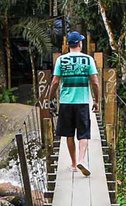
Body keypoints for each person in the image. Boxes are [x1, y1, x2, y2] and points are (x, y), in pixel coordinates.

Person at [48, 31, 101, 176]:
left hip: (65, 102)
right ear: (80, 44)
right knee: (84, 134)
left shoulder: (61, 60)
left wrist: (50, 99)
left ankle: (73, 164)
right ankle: (82, 160)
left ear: (68, 45)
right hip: (82, 101)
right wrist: (96, 101)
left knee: (69, 134)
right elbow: (95, 83)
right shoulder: (88, 60)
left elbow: (55, 82)